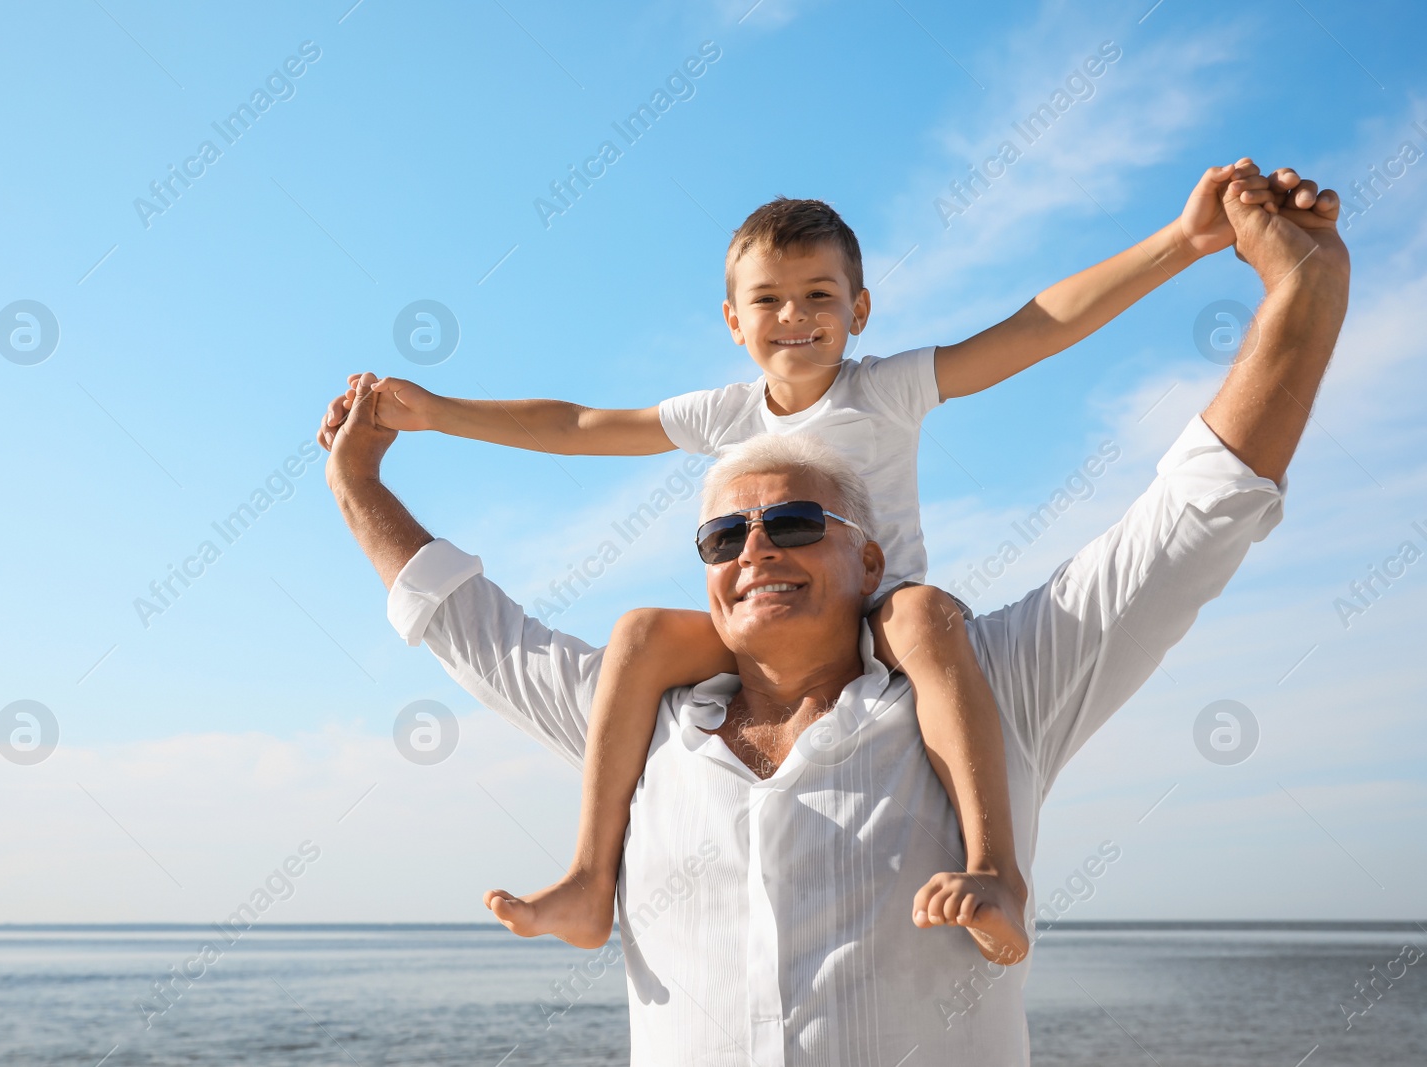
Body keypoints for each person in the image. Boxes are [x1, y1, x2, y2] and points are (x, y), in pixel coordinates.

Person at [320, 163, 1347, 1065]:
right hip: (721, 649)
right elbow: (504, 556)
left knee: (926, 618)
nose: (757, 547)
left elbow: (1077, 376)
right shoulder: (642, 718)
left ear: (859, 306)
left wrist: (1213, 252)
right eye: (722, 537)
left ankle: (994, 868)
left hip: (904, 620)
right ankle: (590, 876)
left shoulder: (981, 686)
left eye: (794, 521)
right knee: (636, 633)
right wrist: (391, 445)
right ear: (732, 318)